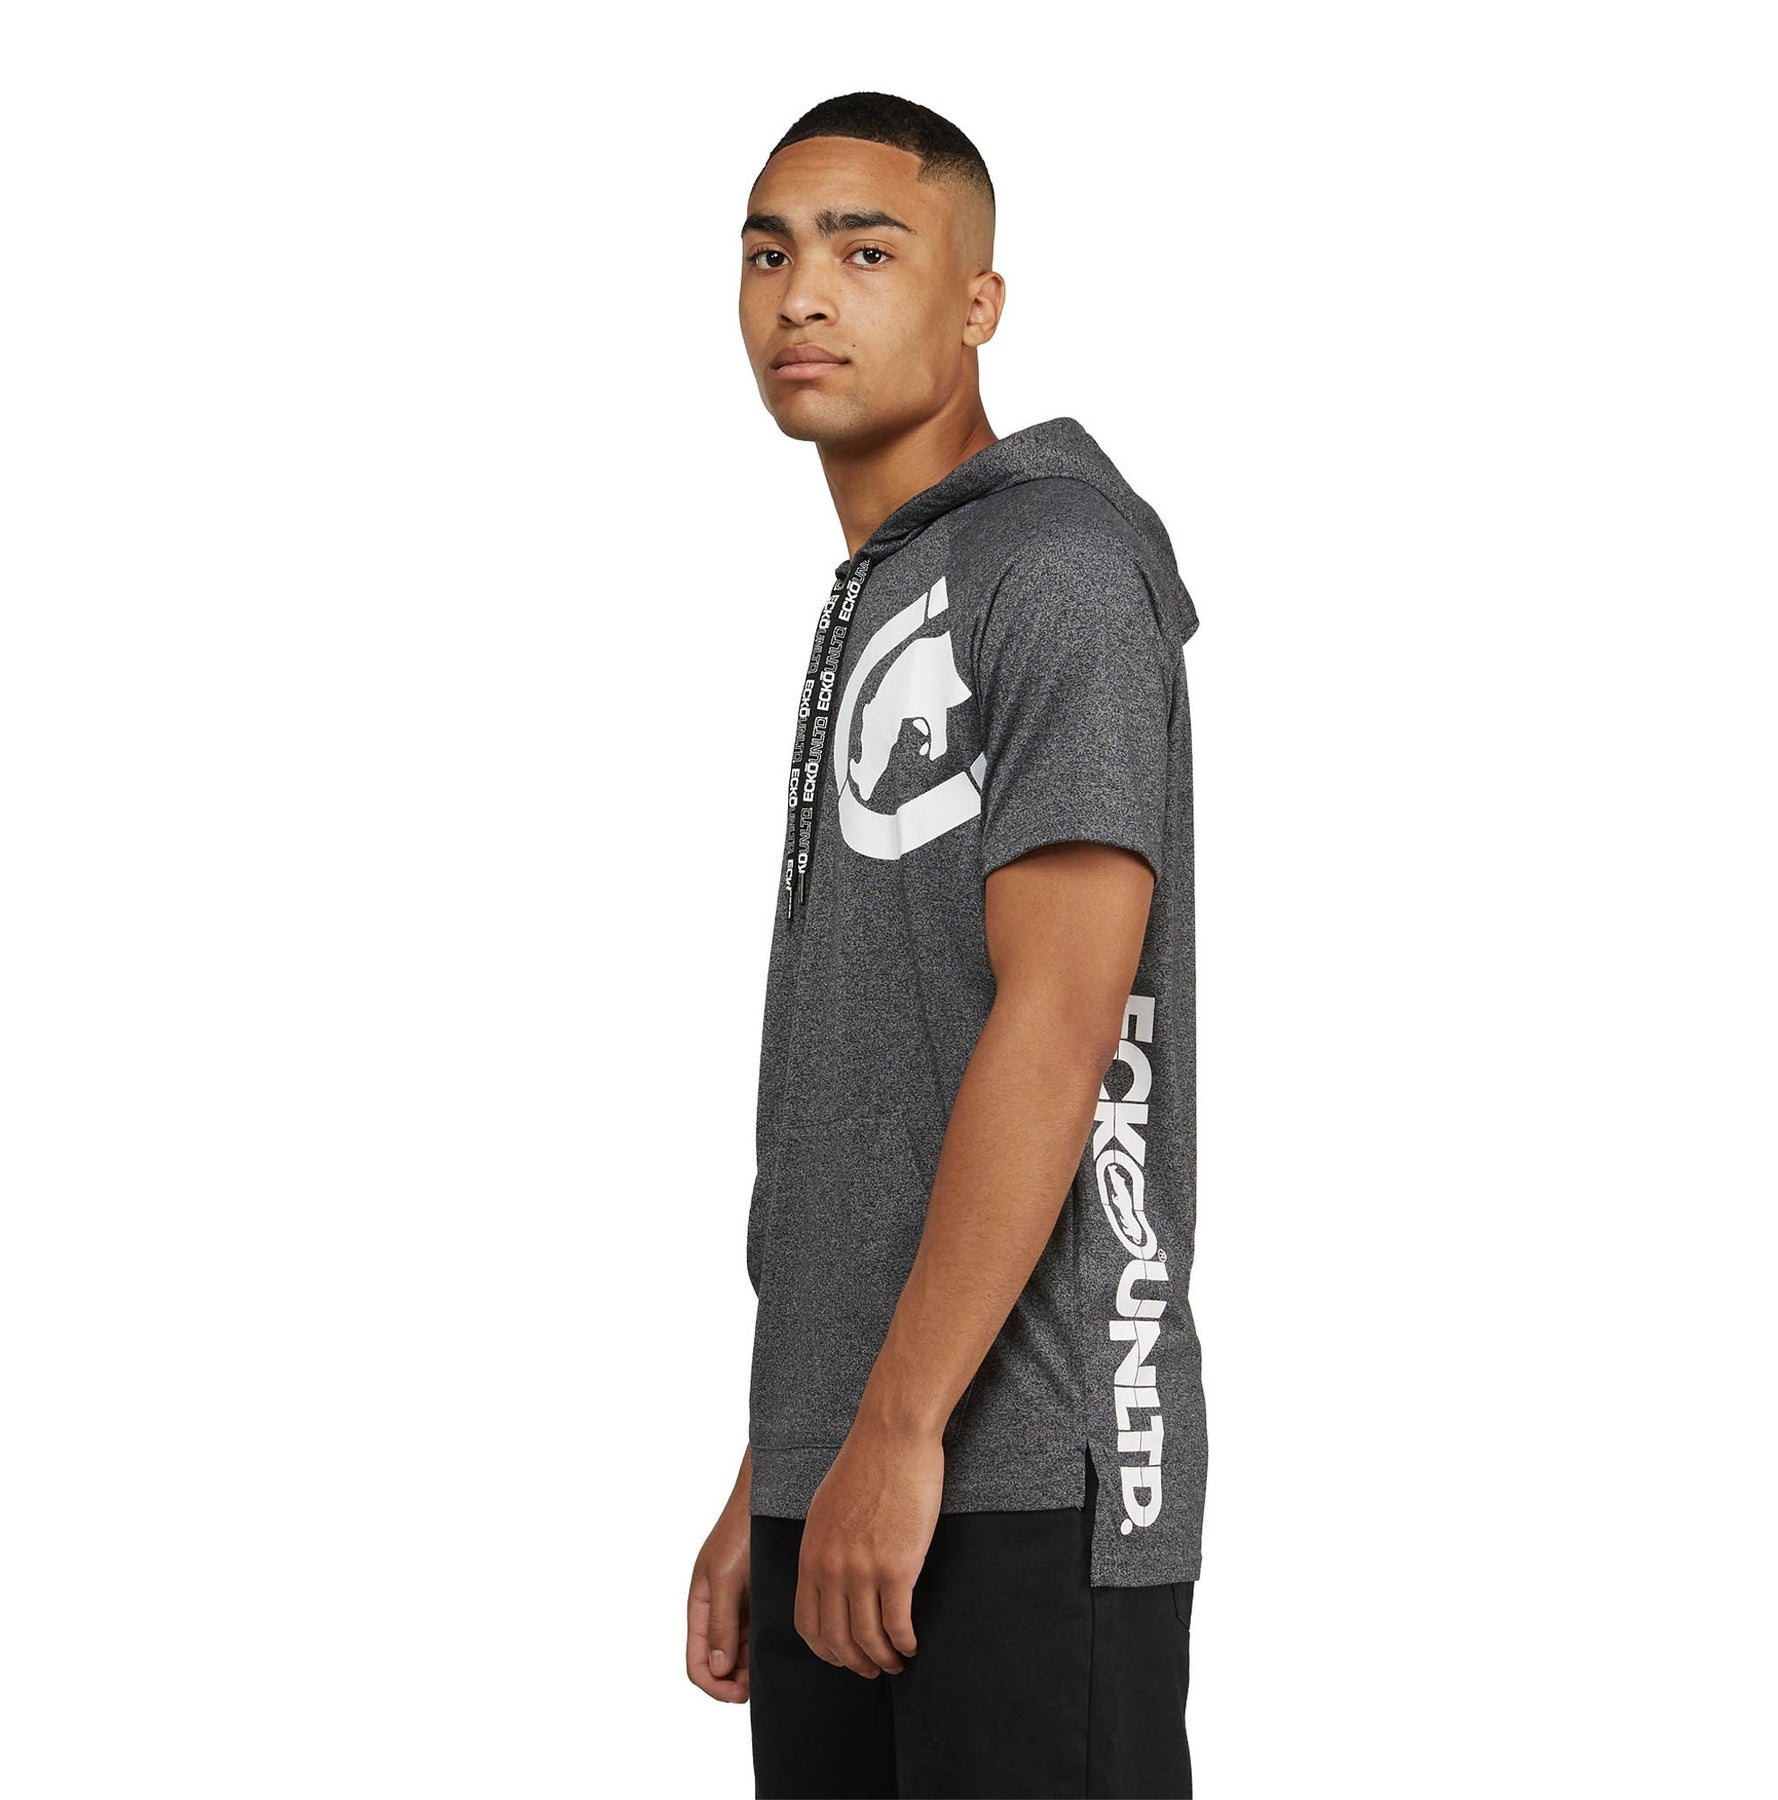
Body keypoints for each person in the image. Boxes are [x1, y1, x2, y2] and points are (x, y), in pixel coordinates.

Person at [687, 91, 1208, 1799]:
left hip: (1026, 1470)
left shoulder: (1056, 566)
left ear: (979, 301)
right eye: (768, 252)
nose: (801, 295)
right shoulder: (886, 593)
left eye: (866, 251)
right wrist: (786, 1459)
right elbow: (883, 1083)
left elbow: (1059, 1026)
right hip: (856, 1467)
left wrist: (900, 1429)